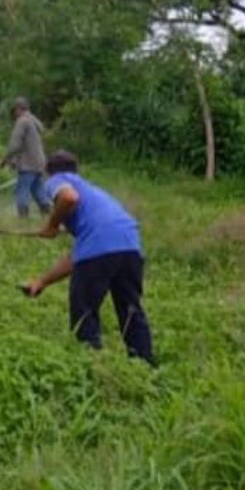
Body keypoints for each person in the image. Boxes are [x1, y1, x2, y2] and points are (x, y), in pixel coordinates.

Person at [23, 150, 155, 365]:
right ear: (78, 170)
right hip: (130, 246)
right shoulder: (95, 195)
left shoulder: (58, 181)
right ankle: (144, 365)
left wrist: (52, 224)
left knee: (83, 311)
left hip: (102, 250)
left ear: (48, 172)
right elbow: (81, 257)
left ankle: (89, 365)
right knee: (130, 310)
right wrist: (42, 282)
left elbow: (67, 197)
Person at [0, 97, 50, 217]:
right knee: (37, 189)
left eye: (15, 110)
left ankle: (23, 218)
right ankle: (47, 213)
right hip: (39, 162)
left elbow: (15, 144)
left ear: (18, 109)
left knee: (22, 189)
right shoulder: (35, 121)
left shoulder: (22, 121)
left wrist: (5, 159)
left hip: (27, 163)